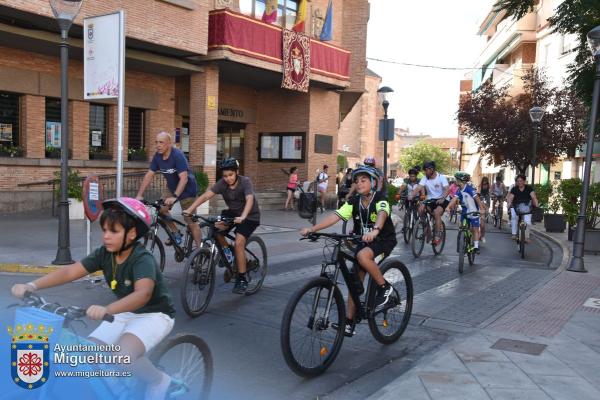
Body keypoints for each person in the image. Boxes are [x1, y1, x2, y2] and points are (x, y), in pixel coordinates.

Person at [11, 198, 176, 400]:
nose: (106, 237)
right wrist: (31, 285)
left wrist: (108, 309)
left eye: (113, 231)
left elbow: (143, 295)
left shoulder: (142, 259)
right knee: (91, 354)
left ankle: (158, 380)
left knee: (123, 357)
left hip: (154, 315)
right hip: (122, 312)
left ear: (131, 234)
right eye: (104, 230)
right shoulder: (104, 254)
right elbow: (70, 272)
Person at [300, 166, 397, 337]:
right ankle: (349, 322)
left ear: (373, 183)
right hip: (363, 241)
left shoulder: (380, 199)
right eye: (357, 181)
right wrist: (313, 229)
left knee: (362, 256)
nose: (359, 184)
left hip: (382, 241)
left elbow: (382, 213)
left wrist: (375, 230)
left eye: (363, 180)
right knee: (354, 280)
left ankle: (385, 288)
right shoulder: (354, 202)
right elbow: (334, 216)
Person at [184, 158, 260, 294]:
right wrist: (190, 209)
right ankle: (228, 253)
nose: (228, 178)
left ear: (237, 172)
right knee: (216, 230)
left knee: (239, 243)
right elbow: (206, 196)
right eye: (225, 176)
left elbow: (249, 199)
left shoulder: (245, 182)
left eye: (231, 175)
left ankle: (242, 279)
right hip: (233, 213)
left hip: (249, 216)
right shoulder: (222, 184)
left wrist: (243, 216)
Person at [136, 131, 200, 247]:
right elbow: (149, 175)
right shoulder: (158, 156)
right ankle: (176, 232)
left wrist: (175, 197)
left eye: (161, 142)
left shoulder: (177, 155)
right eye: (156, 142)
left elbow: (184, 178)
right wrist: (139, 195)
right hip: (171, 188)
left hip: (188, 190)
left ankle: (200, 250)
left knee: (190, 221)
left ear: (169, 143)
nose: (158, 145)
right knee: (161, 209)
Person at [410, 161, 450, 245]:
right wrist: (411, 195)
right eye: (424, 170)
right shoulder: (425, 178)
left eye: (426, 170)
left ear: (432, 169)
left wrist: (443, 198)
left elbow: (447, 189)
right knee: (420, 209)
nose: (425, 172)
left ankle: (437, 236)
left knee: (436, 213)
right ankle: (427, 229)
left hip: (442, 199)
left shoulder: (441, 177)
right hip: (431, 199)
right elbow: (418, 188)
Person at [449, 172, 486, 254]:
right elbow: (454, 199)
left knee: (475, 229)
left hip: (474, 211)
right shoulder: (459, 190)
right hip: (465, 211)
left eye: (456, 179)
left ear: (460, 180)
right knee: (462, 228)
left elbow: (478, 200)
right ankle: (462, 242)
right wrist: (448, 207)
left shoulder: (470, 189)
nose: (455, 181)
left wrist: (482, 209)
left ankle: (476, 246)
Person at [506, 174, 539, 242]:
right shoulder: (514, 189)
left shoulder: (529, 188)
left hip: (527, 207)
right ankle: (514, 234)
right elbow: (511, 198)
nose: (519, 182)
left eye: (521, 181)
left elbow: (533, 197)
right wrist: (509, 204)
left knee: (527, 221)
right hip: (516, 207)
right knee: (514, 217)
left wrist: (536, 204)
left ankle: (526, 237)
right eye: (518, 181)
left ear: (524, 181)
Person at [479, 177, 491, 243]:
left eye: (486, 184)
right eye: (483, 184)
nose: (485, 186)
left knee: (482, 225)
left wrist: (486, 209)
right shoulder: (478, 191)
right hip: (477, 210)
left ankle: (482, 236)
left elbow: (488, 205)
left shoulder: (488, 195)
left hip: (483, 211)